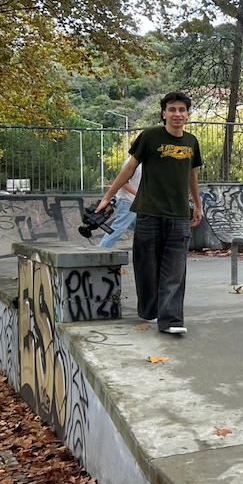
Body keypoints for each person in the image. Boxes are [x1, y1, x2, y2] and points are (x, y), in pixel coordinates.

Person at [97, 92, 203, 335]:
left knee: (175, 270)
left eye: (182, 109)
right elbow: (130, 168)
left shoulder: (191, 142)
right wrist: (107, 197)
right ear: (164, 113)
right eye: (172, 109)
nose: (177, 114)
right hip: (148, 213)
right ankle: (149, 310)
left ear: (187, 114)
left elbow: (192, 174)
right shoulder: (150, 137)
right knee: (147, 267)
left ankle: (172, 320)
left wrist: (197, 205)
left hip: (178, 216)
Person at [97, 155, 142, 248]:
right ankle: (101, 248)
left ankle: (150, 252)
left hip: (136, 202)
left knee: (141, 230)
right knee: (119, 228)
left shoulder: (145, 163)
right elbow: (123, 182)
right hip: (128, 201)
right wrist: (136, 193)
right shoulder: (130, 162)